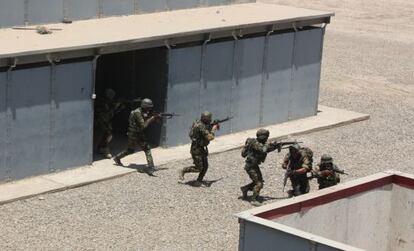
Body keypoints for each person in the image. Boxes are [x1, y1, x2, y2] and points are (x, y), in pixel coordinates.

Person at [113, 98, 160, 174]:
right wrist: (152, 118)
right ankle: (151, 168)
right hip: (136, 134)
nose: (150, 108)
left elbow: (147, 119)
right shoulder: (137, 113)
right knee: (147, 149)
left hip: (135, 133)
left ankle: (117, 158)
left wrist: (156, 117)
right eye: (148, 107)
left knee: (130, 150)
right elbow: (143, 126)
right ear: (144, 106)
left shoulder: (143, 111)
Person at [178, 111, 218, 185]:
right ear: (206, 119)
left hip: (202, 148)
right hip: (196, 149)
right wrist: (213, 130)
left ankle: (199, 180)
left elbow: (205, 131)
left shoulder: (201, 123)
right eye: (209, 119)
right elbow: (210, 137)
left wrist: (211, 127)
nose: (210, 120)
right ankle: (183, 170)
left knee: (205, 166)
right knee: (199, 168)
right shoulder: (200, 126)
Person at [240, 129, 278, 206]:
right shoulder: (255, 143)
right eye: (266, 137)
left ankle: (245, 188)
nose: (267, 138)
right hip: (251, 167)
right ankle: (253, 200)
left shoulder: (260, 143)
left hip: (253, 165)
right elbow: (263, 149)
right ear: (262, 136)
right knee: (259, 183)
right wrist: (270, 145)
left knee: (258, 181)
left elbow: (265, 150)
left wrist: (275, 147)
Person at [94, 88, 124, 159]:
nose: (112, 96)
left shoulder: (107, 101)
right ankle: (105, 150)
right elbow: (108, 111)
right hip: (101, 120)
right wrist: (116, 105)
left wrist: (120, 107)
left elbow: (112, 112)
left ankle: (101, 148)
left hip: (105, 120)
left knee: (106, 135)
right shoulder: (103, 101)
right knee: (109, 135)